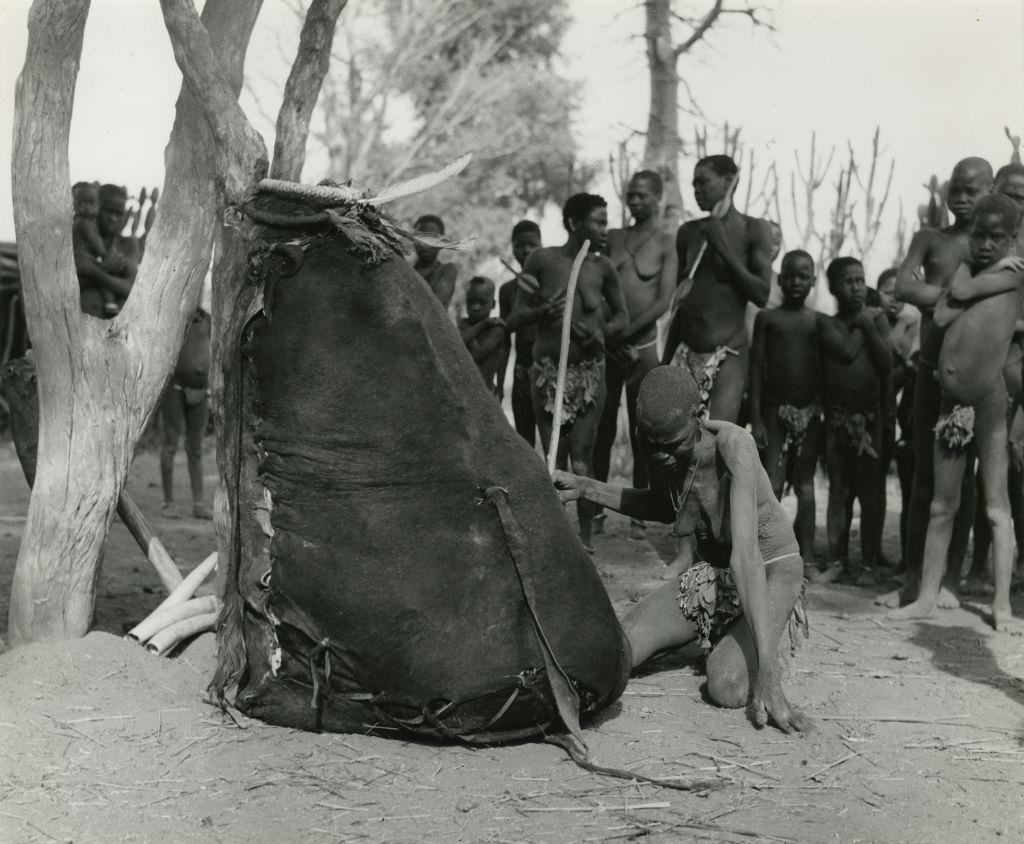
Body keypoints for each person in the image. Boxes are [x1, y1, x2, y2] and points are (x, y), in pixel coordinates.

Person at [552, 365, 811, 734]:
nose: (662, 458)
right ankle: (732, 632)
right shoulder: (658, 440)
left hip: (768, 570)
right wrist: (585, 487)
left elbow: (745, 555)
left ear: (698, 417)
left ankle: (766, 644)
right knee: (620, 649)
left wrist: (769, 676)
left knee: (728, 687)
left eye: (672, 447)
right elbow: (664, 505)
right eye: (653, 447)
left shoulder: (734, 447)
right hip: (713, 578)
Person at [890, 195, 1024, 634]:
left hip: (988, 406)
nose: (985, 245)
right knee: (942, 504)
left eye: (996, 237)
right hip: (952, 407)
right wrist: (965, 277)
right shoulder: (984, 271)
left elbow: (958, 295)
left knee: (995, 508)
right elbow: (946, 314)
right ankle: (927, 596)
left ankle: (1002, 606)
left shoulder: (1016, 274)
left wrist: (969, 275)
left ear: (1013, 237)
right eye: (979, 236)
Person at [879, 158, 994, 609]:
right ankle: (913, 579)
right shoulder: (930, 238)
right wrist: (955, 298)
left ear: (990, 191)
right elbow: (904, 286)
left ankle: (948, 582)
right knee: (925, 476)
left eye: (973, 190)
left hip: (974, 369)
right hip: (930, 365)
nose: (963, 198)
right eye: (957, 190)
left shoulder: (994, 249)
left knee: (963, 481)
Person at [512, 193, 628, 552]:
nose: (603, 228)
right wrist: (540, 314)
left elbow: (622, 317)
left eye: (605, 220)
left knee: (582, 457)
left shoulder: (603, 267)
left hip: (590, 374)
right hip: (548, 375)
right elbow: (515, 318)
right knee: (552, 456)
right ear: (574, 223)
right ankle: (554, 538)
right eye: (597, 220)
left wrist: (600, 334)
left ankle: (585, 540)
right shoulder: (542, 260)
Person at [593, 170, 677, 540]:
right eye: (631, 194)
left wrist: (626, 334)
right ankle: (594, 504)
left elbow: (664, 300)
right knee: (602, 429)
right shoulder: (613, 237)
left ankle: (641, 510)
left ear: (658, 198)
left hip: (643, 350)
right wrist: (611, 338)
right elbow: (596, 288)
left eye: (643, 195)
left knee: (647, 434)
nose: (636, 201)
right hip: (610, 349)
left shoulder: (666, 242)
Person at [663, 155, 773, 422]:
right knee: (678, 435)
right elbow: (681, 302)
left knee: (717, 434)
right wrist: (664, 362)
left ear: (727, 182)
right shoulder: (688, 232)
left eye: (702, 182)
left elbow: (761, 294)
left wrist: (721, 245)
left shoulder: (754, 229)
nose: (696, 190)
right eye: (693, 185)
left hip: (730, 352)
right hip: (686, 351)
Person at [815, 258, 892, 586]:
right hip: (836, 421)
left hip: (871, 421)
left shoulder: (879, 321)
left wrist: (869, 324)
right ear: (833, 288)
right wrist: (864, 321)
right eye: (848, 281)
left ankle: (869, 565)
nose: (856, 287)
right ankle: (837, 559)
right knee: (839, 490)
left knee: (870, 492)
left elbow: (886, 364)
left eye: (861, 280)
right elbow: (845, 353)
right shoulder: (825, 324)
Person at [749, 250, 822, 576]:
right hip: (774, 411)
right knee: (772, 482)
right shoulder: (768, 319)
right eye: (789, 276)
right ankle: (768, 552)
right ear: (780, 280)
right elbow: (756, 368)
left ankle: (805, 554)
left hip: (808, 413)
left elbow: (824, 369)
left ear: (813, 281)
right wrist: (758, 417)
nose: (795, 282)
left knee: (805, 486)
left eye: (803, 277)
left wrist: (817, 407)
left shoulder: (817, 322)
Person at [877, 268, 919, 567]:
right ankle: (875, 553)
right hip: (878, 409)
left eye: (898, 292)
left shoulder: (914, 322)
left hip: (908, 412)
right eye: (886, 291)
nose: (893, 298)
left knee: (912, 491)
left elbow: (909, 368)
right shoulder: (874, 321)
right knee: (874, 484)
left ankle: (910, 559)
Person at [161, 307, 212, 520]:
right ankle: (168, 503)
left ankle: (198, 505)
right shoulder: (174, 317)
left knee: (196, 448)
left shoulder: (207, 319)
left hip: (200, 391)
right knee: (171, 443)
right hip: (175, 388)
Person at [498, 220, 545, 445]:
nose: (525, 251)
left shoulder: (550, 283)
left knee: (552, 439)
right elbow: (505, 339)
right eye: (519, 245)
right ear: (512, 248)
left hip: (548, 369)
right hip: (521, 373)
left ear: (541, 246)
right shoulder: (507, 290)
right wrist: (499, 380)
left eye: (532, 245)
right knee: (524, 439)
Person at [75, 183, 140, 318]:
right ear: (97, 207)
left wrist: (94, 272)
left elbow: (132, 289)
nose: (113, 218)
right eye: (108, 211)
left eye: (118, 213)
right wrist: (106, 270)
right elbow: (67, 287)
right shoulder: (81, 237)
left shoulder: (128, 244)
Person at [458, 276, 505, 393]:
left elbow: (477, 354)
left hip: (485, 393)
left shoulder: (496, 328)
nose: (475, 308)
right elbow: (456, 343)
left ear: (493, 304)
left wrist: (469, 328)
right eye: (471, 302)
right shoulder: (465, 324)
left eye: (481, 302)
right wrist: (482, 324)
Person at [412, 214, 457, 310]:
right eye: (421, 238)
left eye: (432, 239)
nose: (425, 244)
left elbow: (435, 304)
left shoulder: (448, 271)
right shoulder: (406, 272)